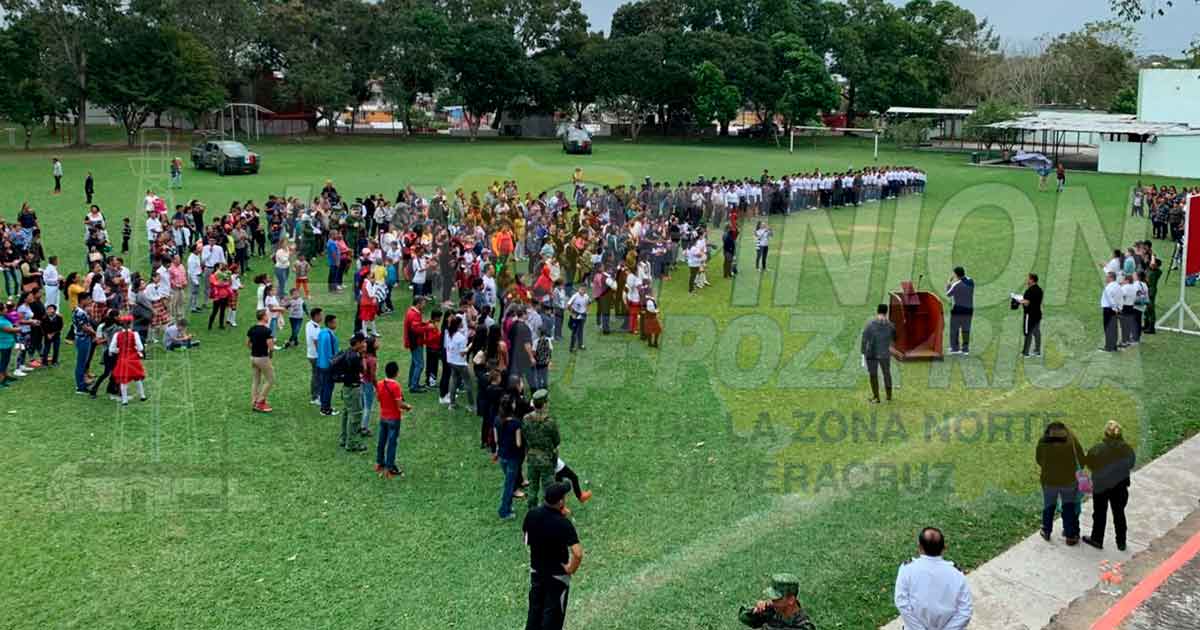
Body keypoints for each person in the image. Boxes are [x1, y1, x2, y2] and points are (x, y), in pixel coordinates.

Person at [522, 481, 583, 630]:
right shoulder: (563, 524)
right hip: (557, 577)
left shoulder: (532, 514)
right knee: (553, 618)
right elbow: (578, 553)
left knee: (535, 613)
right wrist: (570, 569)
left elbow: (526, 537)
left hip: (536, 571)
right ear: (560, 501)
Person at [893, 528, 972, 630]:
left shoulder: (907, 569)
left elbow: (902, 603)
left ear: (919, 547)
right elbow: (965, 611)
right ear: (944, 548)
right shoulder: (957, 574)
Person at [1082, 421, 1136, 551]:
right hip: (1120, 487)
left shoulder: (1097, 449)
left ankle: (1097, 539)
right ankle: (1121, 542)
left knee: (1099, 513)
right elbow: (1131, 464)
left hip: (1101, 486)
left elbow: (1089, 464)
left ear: (1106, 433)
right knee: (1119, 514)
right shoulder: (1127, 449)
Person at [1036, 421, 1086, 545]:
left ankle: (1046, 530)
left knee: (1049, 506)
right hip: (1068, 481)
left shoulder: (1043, 441)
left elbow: (1038, 458)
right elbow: (1081, 458)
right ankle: (1070, 535)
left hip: (1049, 480)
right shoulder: (1071, 440)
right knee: (1068, 507)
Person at [523, 389, 560, 512]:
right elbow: (557, 440)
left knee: (533, 486)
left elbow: (525, 435)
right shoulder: (549, 422)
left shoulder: (526, 419)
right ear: (544, 404)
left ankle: (532, 509)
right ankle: (548, 511)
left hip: (532, 457)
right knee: (548, 487)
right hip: (546, 459)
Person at [374, 361, 412, 479]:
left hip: (383, 416)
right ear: (396, 372)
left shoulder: (380, 384)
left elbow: (378, 398)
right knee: (392, 443)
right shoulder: (395, 386)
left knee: (381, 440)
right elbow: (399, 404)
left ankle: (379, 463)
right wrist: (408, 407)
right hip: (394, 418)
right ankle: (390, 468)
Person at [737, 574, 816, 629]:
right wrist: (755, 611)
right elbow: (744, 617)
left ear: (791, 600)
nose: (772, 602)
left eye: (776, 599)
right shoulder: (774, 611)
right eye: (772, 599)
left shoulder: (803, 626)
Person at [338, 333, 368, 452]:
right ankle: (352, 443)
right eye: (363, 342)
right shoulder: (355, 357)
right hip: (353, 388)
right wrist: (363, 355)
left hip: (346, 388)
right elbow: (364, 370)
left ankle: (344, 438)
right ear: (359, 342)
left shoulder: (347, 352)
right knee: (355, 415)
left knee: (346, 413)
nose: (365, 344)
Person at [860, 304, 895, 404]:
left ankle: (876, 397)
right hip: (885, 353)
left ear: (877, 311)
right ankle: (889, 396)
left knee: (873, 375)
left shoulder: (870, 324)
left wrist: (862, 352)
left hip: (872, 353)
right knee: (887, 374)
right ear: (886, 312)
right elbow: (895, 337)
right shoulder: (890, 325)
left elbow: (864, 339)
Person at [496, 395, 524, 519]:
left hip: (502, 456)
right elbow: (518, 443)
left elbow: (496, 440)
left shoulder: (497, 420)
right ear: (511, 406)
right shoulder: (516, 423)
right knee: (509, 485)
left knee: (509, 483)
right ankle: (504, 511)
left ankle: (508, 506)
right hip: (513, 457)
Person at [110, 315, 147, 405]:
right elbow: (140, 347)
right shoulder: (135, 334)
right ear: (130, 324)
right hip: (133, 359)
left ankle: (124, 400)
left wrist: (119, 350)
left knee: (123, 380)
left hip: (122, 359)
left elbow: (112, 349)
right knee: (137, 377)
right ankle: (142, 396)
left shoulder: (117, 335)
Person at [247, 309, 275, 413]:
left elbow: (248, 343)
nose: (268, 317)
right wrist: (270, 355)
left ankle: (254, 402)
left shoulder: (252, 329)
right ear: (263, 317)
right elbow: (271, 346)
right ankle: (260, 402)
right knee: (271, 379)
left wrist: (254, 350)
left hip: (253, 357)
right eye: (267, 315)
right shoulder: (267, 331)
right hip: (263, 358)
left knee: (256, 380)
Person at [945, 267, 974, 355]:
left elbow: (948, 294)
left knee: (954, 329)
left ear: (956, 274)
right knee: (966, 329)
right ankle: (965, 349)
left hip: (958, 309)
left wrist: (949, 284)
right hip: (969, 309)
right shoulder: (971, 281)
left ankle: (955, 348)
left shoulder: (956, 284)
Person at [316, 313, 339, 416]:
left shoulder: (322, 332)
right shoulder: (328, 335)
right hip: (328, 365)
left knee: (324, 386)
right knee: (328, 387)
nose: (336, 324)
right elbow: (330, 353)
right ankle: (326, 409)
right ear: (329, 323)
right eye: (334, 322)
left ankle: (324, 406)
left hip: (321, 363)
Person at [403, 295, 428, 392]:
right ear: (418, 304)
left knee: (414, 363)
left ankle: (412, 382)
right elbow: (416, 329)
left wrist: (424, 324)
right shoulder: (414, 314)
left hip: (413, 342)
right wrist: (427, 328)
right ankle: (414, 386)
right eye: (423, 303)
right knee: (420, 364)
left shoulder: (412, 312)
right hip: (416, 342)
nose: (425, 305)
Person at [1019, 273, 1044, 358]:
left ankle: (1025, 352)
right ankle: (1037, 351)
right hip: (1037, 314)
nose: (1027, 280)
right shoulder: (1039, 290)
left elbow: (1027, 302)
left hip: (1030, 315)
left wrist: (1019, 300)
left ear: (1032, 280)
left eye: (1028, 279)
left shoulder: (1030, 290)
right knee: (1036, 332)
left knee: (1028, 332)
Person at [1100, 271, 1122, 352]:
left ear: (1111, 278)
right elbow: (1120, 298)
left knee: (1108, 328)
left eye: (1107, 277)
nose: (1106, 278)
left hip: (1109, 309)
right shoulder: (1118, 286)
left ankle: (1109, 346)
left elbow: (1110, 299)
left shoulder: (1109, 287)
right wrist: (1119, 308)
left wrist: (1115, 308)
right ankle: (1114, 345)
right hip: (1115, 309)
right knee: (1114, 328)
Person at [565, 284, 589, 352]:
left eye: (584, 290)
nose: (583, 291)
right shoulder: (575, 296)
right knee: (574, 332)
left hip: (582, 315)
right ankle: (572, 347)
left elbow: (587, 303)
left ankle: (580, 345)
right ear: (579, 289)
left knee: (581, 330)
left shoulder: (586, 296)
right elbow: (568, 305)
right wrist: (572, 313)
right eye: (582, 289)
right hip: (575, 315)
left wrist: (586, 311)